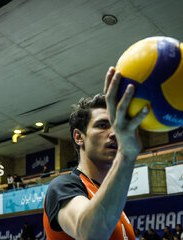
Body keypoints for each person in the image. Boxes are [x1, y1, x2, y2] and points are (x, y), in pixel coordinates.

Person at [43, 67, 149, 239]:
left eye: (116, 125)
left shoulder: (110, 200)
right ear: (79, 137)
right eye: (102, 125)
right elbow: (89, 234)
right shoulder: (63, 186)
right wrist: (126, 154)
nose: (115, 133)